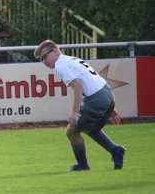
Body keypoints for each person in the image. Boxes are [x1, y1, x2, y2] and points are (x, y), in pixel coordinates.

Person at [34, 40, 125, 171]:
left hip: (96, 99)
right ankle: (115, 150)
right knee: (89, 128)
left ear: (55, 51)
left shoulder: (61, 65)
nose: (44, 61)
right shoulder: (71, 59)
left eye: (45, 56)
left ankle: (83, 167)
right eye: (41, 59)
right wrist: (110, 104)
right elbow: (91, 79)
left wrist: (74, 112)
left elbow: (78, 86)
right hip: (106, 92)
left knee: (71, 131)